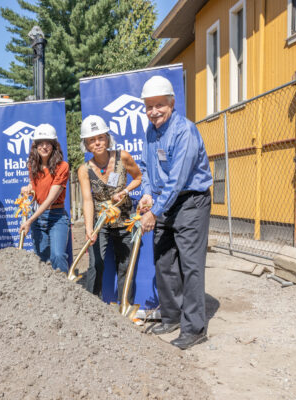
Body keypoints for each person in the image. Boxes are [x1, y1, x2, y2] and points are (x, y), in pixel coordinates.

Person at [137, 76, 213, 350]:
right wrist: (146, 192)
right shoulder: (150, 131)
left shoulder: (185, 131)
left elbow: (178, 179)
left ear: (172, 103)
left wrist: (154, 212)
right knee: (164, 261)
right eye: (149, 106)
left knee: (190, 265)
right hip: (162, 202)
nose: (154, 111)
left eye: (159, 105)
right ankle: (171, 316)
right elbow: (145, 166)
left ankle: (195, 328)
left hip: (191, 202)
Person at [78, 115, 142, 303]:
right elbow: (87, 200)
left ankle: (125, 308)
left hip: (125, 221)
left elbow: (138, 178)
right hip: (101, 223)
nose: (97, 143)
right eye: (91, 140)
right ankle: (92, 307)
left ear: (107, 138)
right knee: (95, 264)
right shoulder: (84, 169)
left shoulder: (123, 157)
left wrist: (125, 191)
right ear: (86, 144)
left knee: (125, 266)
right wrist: (89, 228)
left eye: (100, 138)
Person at [19, 123, 70, 273]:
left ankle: (63, 293)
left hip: (56, 217)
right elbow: (37, 190)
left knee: (58, 256)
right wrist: (28, 189)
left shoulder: (62, 167)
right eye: (40, 143)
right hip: (38, 220)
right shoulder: (32, 166)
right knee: (41, 260)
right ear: (35, 146)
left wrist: (29, 220)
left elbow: (49, 199)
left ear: (54, 145)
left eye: (48, 143)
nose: (44, 146)